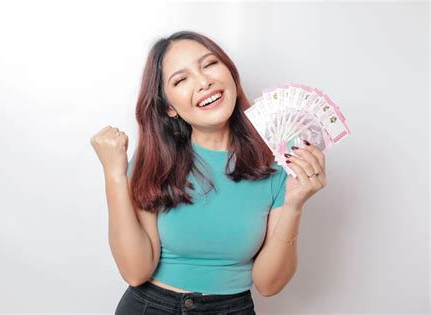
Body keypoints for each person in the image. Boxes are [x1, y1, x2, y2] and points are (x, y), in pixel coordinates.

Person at [90, 30, 326, 315]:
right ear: (169, 108)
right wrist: (115, 175)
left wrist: (294, 205)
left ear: (230, 73)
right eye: (181, 79)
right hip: (150, 307)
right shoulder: (155, 160)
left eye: (209, 64)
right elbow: (135, 272)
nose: (204, 82)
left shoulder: (275, 163)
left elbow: (268, 285)